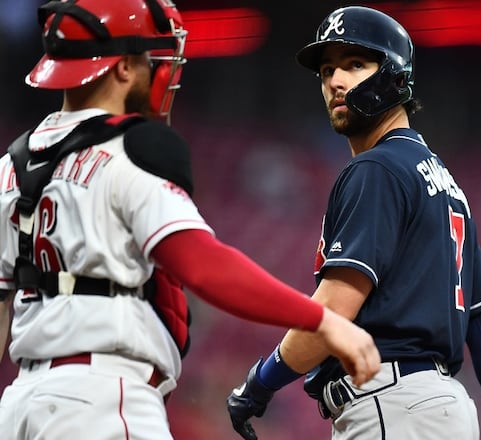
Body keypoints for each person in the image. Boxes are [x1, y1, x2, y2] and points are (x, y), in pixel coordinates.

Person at [0, 1, 380, 439]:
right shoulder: (129, 150)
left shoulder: (12, 165)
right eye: (150, 60)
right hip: (101, 398)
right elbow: (203, 264)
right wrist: (322, 319)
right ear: (122, 67)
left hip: (21, 403)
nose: (161, 71)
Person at [227, 5, 481, 440]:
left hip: (392, 403)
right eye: (327, 69)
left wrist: (260, 382)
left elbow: (334, 309)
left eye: (355, 64)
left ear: (394, 75)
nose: (335, 80)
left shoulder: (378, 169)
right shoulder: (446, 185)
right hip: (438, 409)